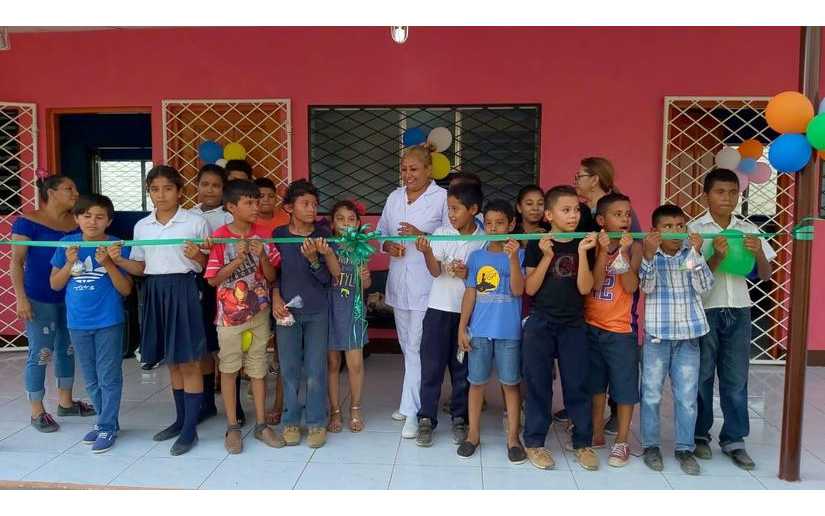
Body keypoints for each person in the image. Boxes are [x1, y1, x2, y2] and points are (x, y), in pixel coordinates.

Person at [114, 165, 210, 456]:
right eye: (155, 189)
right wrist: (118, 260)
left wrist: (199, 255)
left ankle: (190, 429)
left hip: (186, 289)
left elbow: (208, 266)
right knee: (172, 361)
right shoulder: (142, 226)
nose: (161, 194)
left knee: (189, 361)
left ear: (180, 191)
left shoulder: (195, 222)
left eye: (168, 188)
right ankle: (180, 420)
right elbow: (141, 267)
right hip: (155, 291)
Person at [689, 168, 776, 470]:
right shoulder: (695, 230)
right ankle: (699, 435)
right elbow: (691, 279)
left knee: (736, 378)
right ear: (706, 195)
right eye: (719, 192)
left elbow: (766, 275)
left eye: (732, 192)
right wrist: (715, 256)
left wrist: (759, 254)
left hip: (739, 309)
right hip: (705, 310)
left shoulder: (749, 229)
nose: (727, 198)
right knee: (702, 376)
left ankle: (734, 440)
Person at [205, 179, 285, 454]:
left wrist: (262, 256)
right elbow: (213, 280)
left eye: (257, 202)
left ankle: (262, 425)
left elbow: (272, 276)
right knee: (229, 370)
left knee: (258, 369)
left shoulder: (263, 234)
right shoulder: (219, 237)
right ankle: (233, 427)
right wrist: (237, 260)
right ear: (231, 207)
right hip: (228, 317)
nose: (256, 207)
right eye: (249, 202)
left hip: (259, 313)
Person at [522, 185, 599, 471]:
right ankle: (534, 442)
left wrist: (582, 253)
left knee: (577, 384)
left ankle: (582, 443)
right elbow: (530, 288)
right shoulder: (538, 243)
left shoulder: (584, 242)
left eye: (576, 210)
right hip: (541, 321)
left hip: (573, 323)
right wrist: (546, 256)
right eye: (566, 210)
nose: (573, 215)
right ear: (549, 215)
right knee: (538, 384)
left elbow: (585, 288)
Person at [376, 144, 450, 439]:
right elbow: (381, 232)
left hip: (427, 285)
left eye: (414, 169)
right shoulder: (394, 197)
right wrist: (387, 245)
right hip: (399, 283)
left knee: (417, 346)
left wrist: (422, 235)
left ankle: (412, 411)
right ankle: (411, 401)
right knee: (407, 345)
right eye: (404, 169)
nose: (408, 174)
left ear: (429, 170)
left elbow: (451, 237)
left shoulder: (441, 198)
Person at [49, 194, 132, 453]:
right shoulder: (67, 244)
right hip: (77, 323)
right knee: (90, 377)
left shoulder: (116, 246)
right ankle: (106, 422)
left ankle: (106, 426)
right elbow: (55, 284)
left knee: (109, 376)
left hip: (109, 321)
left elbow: (126, 289)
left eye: (99, 217)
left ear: (109, 221)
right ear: (76, 218)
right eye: (86, 216)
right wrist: (70, 262)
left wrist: (108, 262)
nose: (92, 221)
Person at [11, 175, 94, 433]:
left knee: (67, 349)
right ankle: (37, 411)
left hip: (70, 298)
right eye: (69, 188)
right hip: (38, 298)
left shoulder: (76, 223)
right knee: (41, 352)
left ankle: (66, 402)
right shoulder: (27, 222)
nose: (75, 193)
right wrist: (21, 297)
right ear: (51, 193)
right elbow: (16, 262)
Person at [639, 204, 714, 476]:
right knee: (651, 394)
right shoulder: (651, 256)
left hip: (688, 338)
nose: (675, 231)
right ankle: (651, 446)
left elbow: (705, 287)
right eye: (667, 226)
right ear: (655, 231)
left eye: (680, 226)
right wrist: (648, 255)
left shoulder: (689, 254)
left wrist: (697, 253)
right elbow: (646, 287)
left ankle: (685, 449)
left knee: (687, 397)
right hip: (658, 337)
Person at [413, 183, 485, 447]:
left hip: (469, 314)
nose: (451, 214)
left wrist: (469, 275)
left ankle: (459, 418)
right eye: (449, 209)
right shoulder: (442, 233)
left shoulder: (484, 239)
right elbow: (435, 271)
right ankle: (426, 418)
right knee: (431, 366)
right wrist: (427, 252)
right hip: (438, 310)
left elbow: (484, 281)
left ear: (473, 209)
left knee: (462, 369)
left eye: (456, 209)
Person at [272, 179, 341, 448]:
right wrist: (276, 297)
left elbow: (329, 278)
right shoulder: (279, 235)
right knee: (289, 369)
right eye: (305, 204)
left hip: (317, 312)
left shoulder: (323, 235)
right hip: (286, 312)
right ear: (289, 208)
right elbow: (273, 274)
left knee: (315, 369)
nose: (312, 209)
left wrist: (314, 259)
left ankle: (315, 422)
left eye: (314, 204)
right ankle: (290, 421)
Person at [456, 200, 526, 464]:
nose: (494, 228)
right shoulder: (477, 256)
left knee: (510, 384)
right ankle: (473, 434)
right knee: (476, 383)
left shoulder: (520, 255)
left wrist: (513, 258)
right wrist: (462, 328)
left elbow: (518, 290)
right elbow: (470, 294)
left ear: (511, 224)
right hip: (480, 331)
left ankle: (513, 439)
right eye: (489, 223)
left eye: (500, 223)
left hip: (508, 332)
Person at [585, 193, 642, 467]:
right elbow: (595, 284)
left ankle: (621, 440)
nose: (624, 219)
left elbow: (630, 286)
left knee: (624, 388)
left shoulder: (634, 247)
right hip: (592, 326)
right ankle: (596, 433)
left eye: (627, 214)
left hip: (621, 330)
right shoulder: (593, 244)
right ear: (601, 220)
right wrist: (602, 252)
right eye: (617, 214)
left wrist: (621, 254)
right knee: (596, 386)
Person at [189, 164, 233, 424]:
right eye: (205, 184)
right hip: (198, 285)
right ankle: (207, 402)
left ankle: (234, 405)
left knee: (225, 346)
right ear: (197, 186)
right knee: (204, 343)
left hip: (225, 285)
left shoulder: (229, 218)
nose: (210, 190)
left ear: (224, 190)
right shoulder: (189, 216)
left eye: (216, 185)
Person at [326, 200, 371, 434]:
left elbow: (366, 285)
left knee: (355, 363)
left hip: (353, 310)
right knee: (333, 363)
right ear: (332, 224)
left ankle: (355, 408)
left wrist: (365, 277)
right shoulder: (327, 246)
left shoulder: (360, 248)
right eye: (340, 219)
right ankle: (335, 410)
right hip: (331, 309)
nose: (346, 224)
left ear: (358, 223)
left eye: (351, 219)